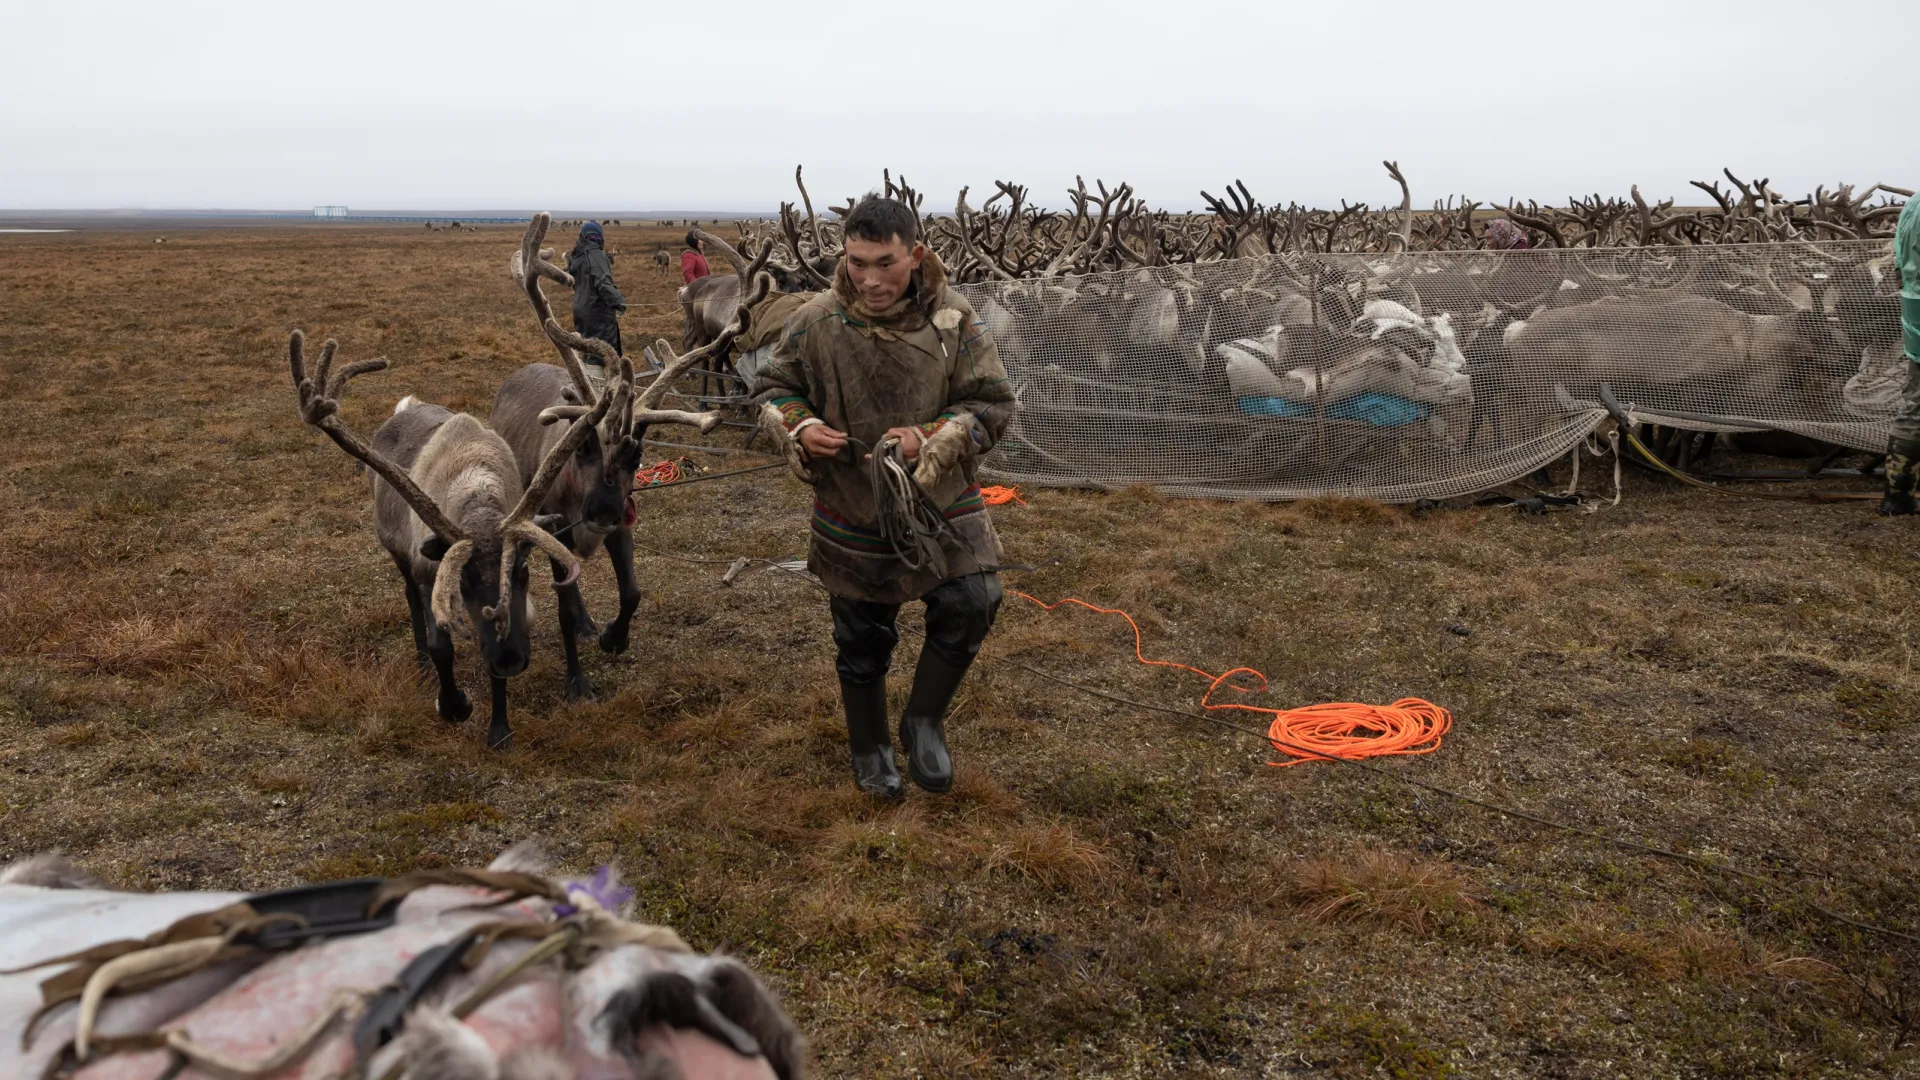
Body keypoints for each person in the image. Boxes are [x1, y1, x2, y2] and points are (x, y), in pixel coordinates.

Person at [754, 195, 1015, 797]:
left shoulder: (953, 319)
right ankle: (870, 747)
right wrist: (798, 426)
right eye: (856, 262)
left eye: (885, 263)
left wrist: (932, 438)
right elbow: (771, 386)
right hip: (851, 503)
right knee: (861, 632)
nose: (869, 279)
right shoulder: (816, 320)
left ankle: (924, 720)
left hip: (940, 501)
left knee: (974, 599)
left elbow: (993, 405)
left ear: (915, 254)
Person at [1881, 195, 1920, 515]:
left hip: (1915, 320)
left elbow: (1897, 266)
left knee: (1915, 407)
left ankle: (1898, 494)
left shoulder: (1913, 205)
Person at [566, 221, 626, 389]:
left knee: (587, 345)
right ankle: (599, 388)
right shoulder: (596, 254)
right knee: (602, 351)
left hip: (581, 309)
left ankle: (586, 381)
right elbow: (603, 283)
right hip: (597, 311)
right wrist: (618, 301)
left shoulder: (576, 256)